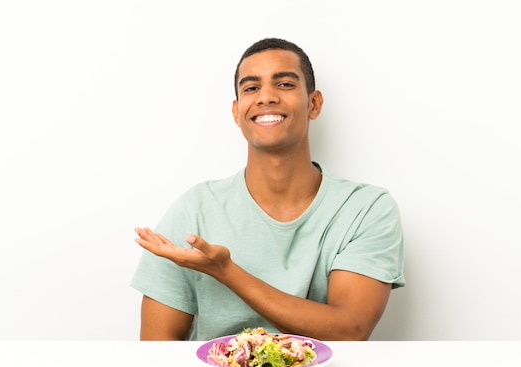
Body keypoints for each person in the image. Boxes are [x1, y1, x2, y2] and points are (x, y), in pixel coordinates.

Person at [131, 38, 405, 341]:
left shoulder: (366, 208)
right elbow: (157, 351)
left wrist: (226, 271)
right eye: (251, 88)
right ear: (237, 112)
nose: (266, 97)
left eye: (285, 84)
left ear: (313, 104)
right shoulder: (195, 209)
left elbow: (350, 329)